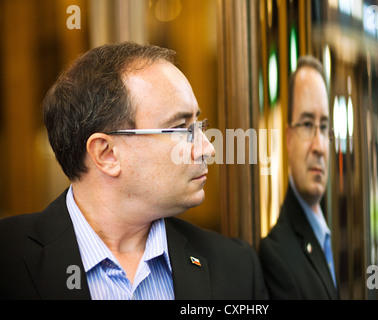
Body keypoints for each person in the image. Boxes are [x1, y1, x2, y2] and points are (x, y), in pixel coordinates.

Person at [0, 42, 268, 300]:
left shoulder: (235, 268)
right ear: (106, 154)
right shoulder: (9, 259)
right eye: (180, 129)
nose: (207, 148)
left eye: (199, 125)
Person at [259, 56, 339, 299]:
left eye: (324, 127)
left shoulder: (339, 233)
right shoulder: (276, 255)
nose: (319, 146)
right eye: (306, 124)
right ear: (288, 139)